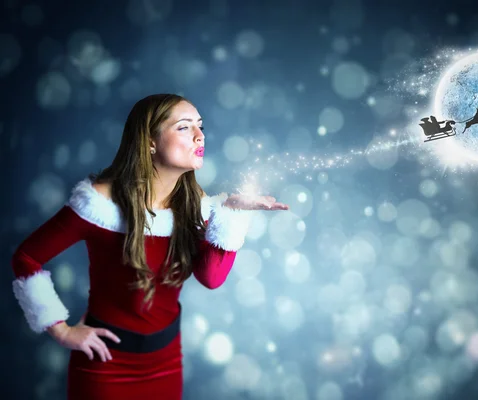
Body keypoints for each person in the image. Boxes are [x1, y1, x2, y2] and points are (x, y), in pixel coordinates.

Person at [10, 93, 289, 400]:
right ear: (151, 141)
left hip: (166, 363)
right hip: (105, 368)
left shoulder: (197, 205)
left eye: (200, 126)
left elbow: (211, 278)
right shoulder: (99, 203)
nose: (199, 136)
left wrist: (233, 212)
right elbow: (26, 257)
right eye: (184, 128)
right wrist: (61, 331)